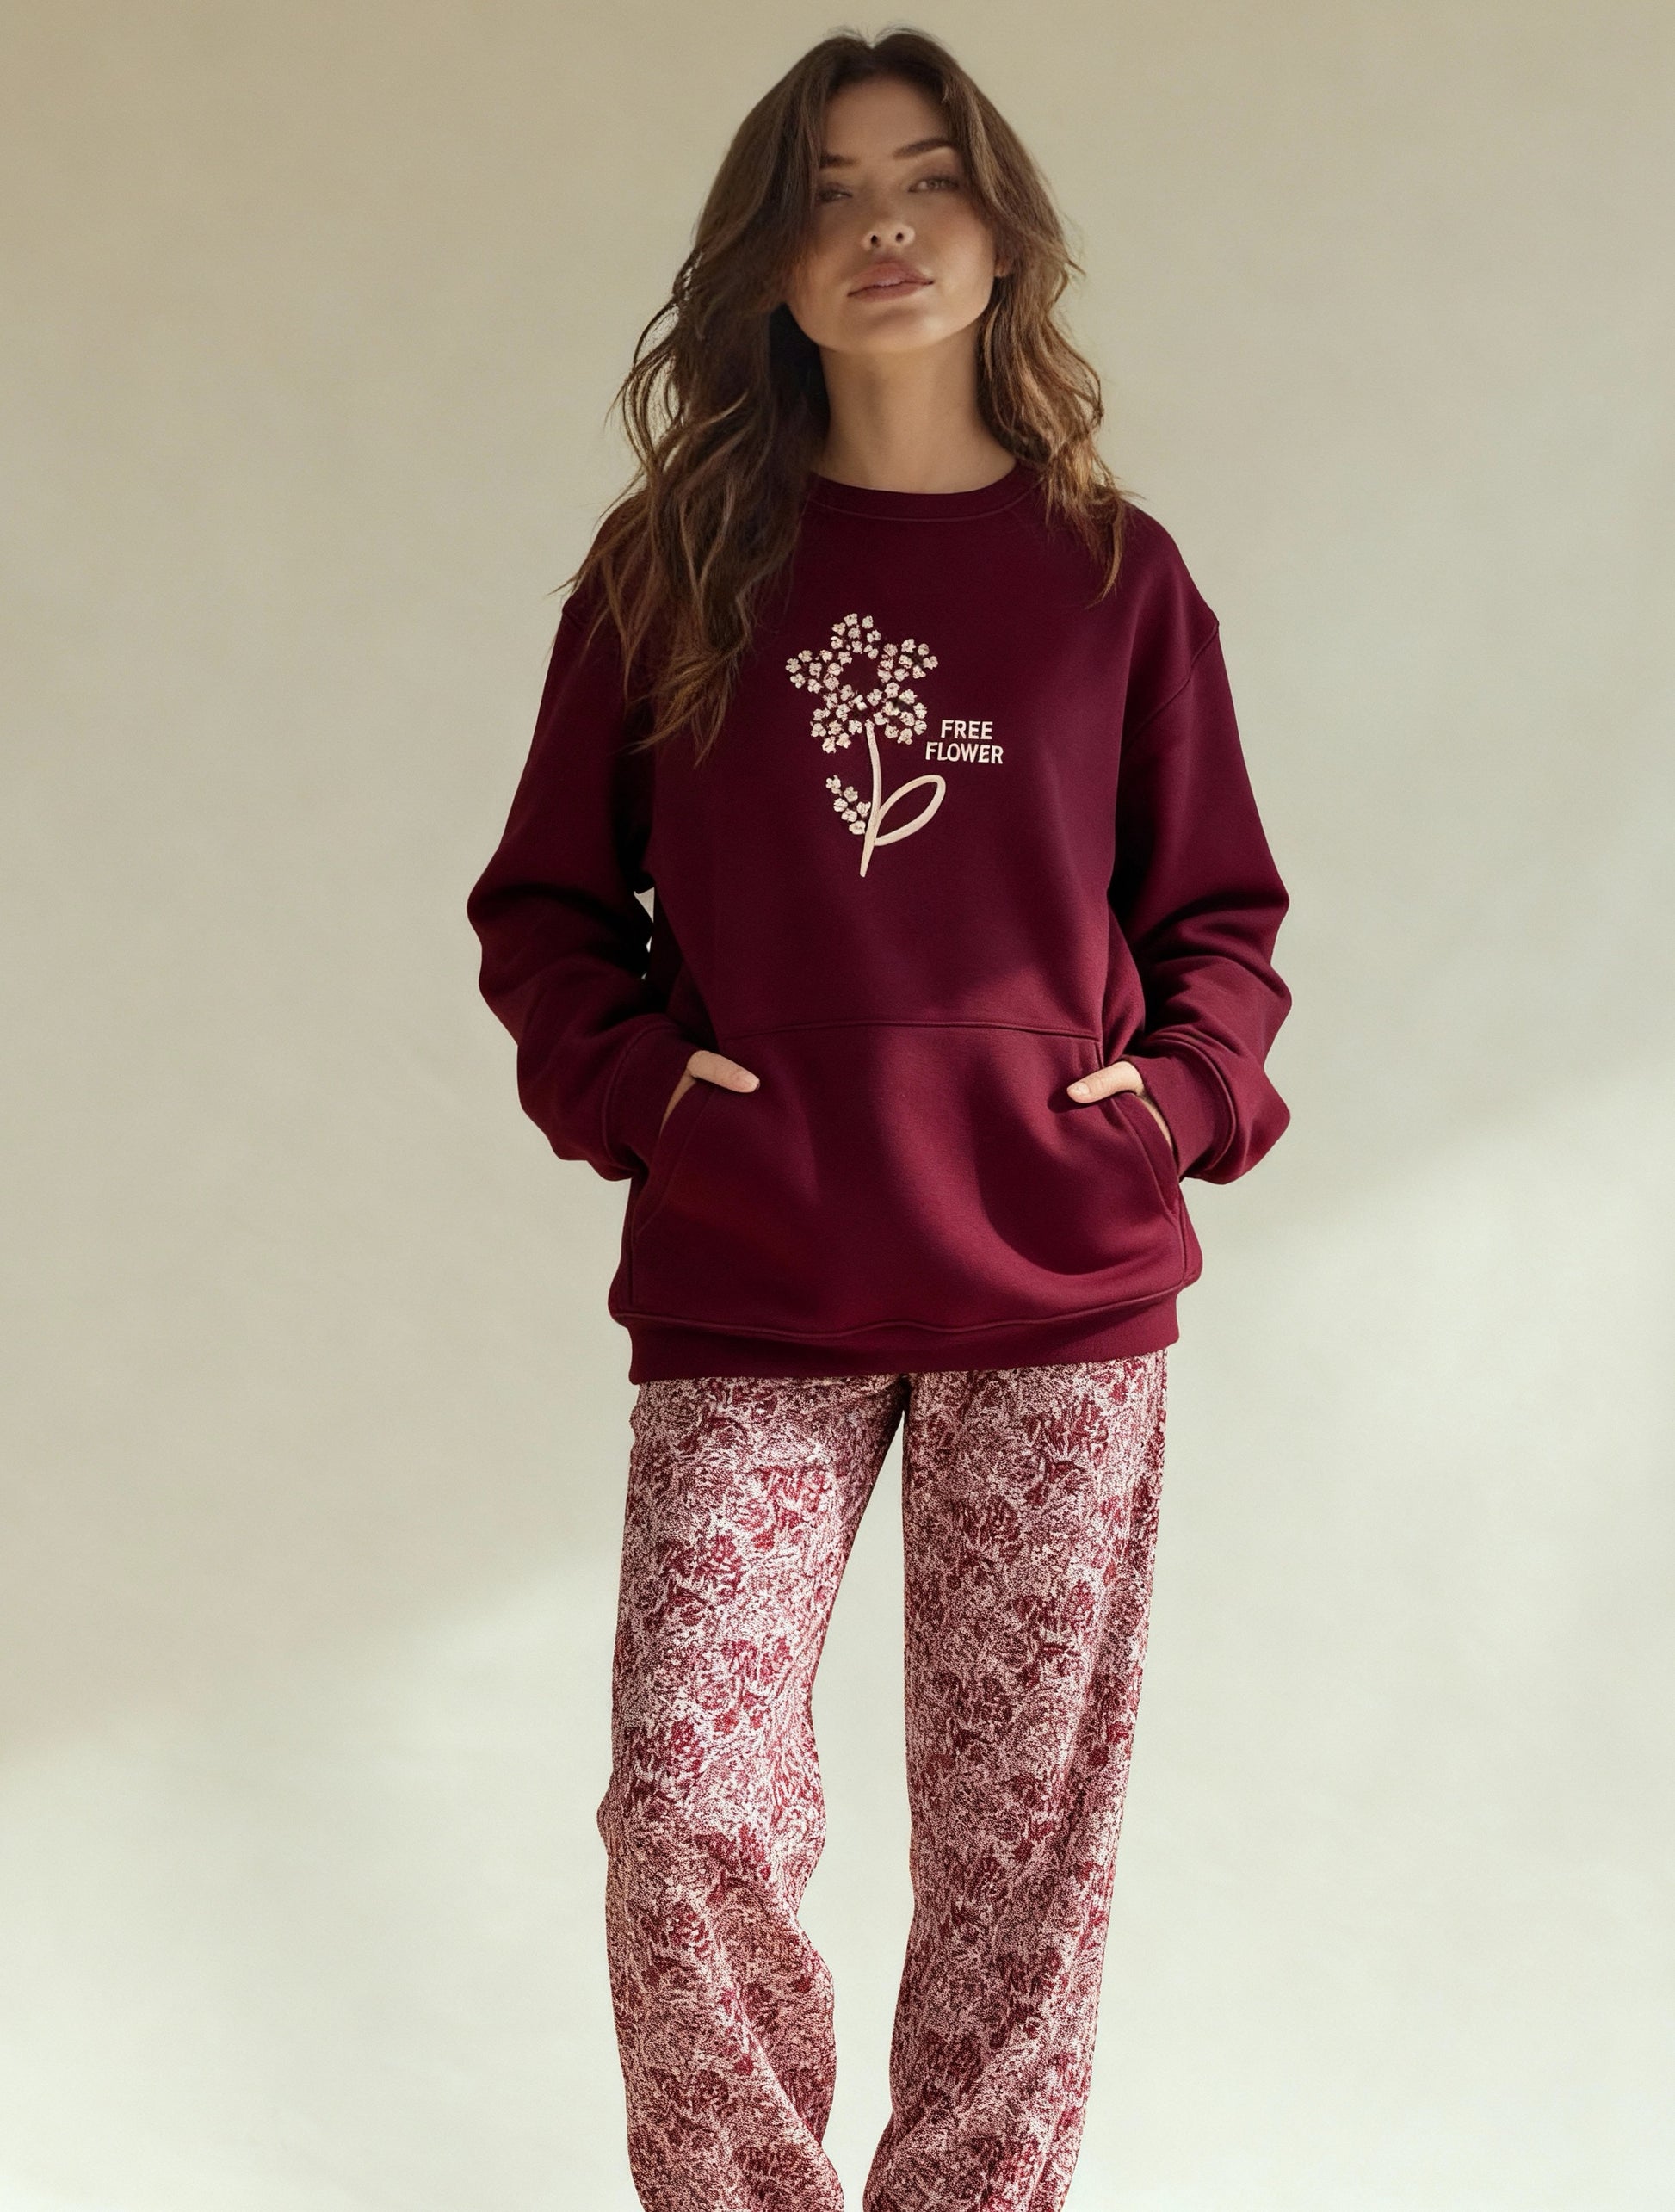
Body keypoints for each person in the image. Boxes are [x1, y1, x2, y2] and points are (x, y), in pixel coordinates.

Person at [466, 28, 1291, 2212]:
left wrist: (1173, 1103)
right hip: (758, 1270)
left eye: (926, 178)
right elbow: (546, 908)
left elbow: (1220, 917)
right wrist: (646, 1095)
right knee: (688, 1804)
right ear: (767, 255)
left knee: (1021, 1858)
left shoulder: (1115, 575)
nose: (885, 226)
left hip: (1059, 1282)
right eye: (827, 192)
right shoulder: (671, 566)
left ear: (1003, 234)